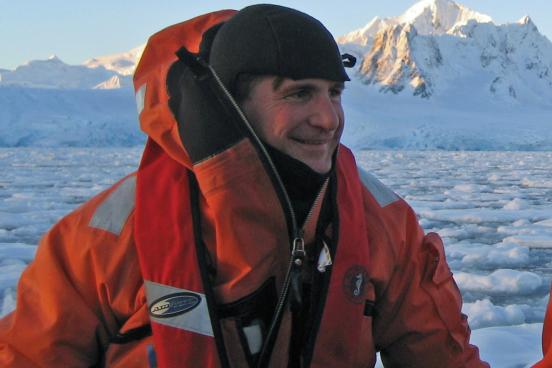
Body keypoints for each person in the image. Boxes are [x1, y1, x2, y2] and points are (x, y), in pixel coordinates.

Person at [0, 4, 489, 367]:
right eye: (299, 93)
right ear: (230, 106)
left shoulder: (382, 222)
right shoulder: (100, 243)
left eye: (334, 93)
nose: (328, 118)